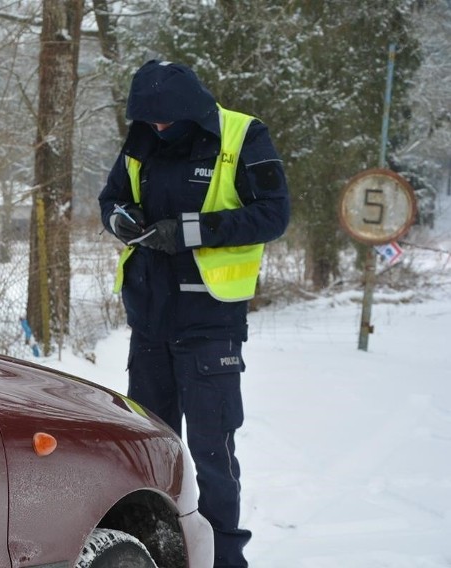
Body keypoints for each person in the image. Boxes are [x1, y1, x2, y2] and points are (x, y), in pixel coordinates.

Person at [99, 60, 290, 567]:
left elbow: (274, 213)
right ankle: (160, 552)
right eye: (150, 121)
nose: (158, 129)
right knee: (152, 450)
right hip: (149, 321)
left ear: (190, 108)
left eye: (165, 121)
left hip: (210, 325)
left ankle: (226, 559)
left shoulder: (243, 135)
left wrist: (189, 230)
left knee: (211, 453)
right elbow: (110, 197)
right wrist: (120, 219)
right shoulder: (141, 137)